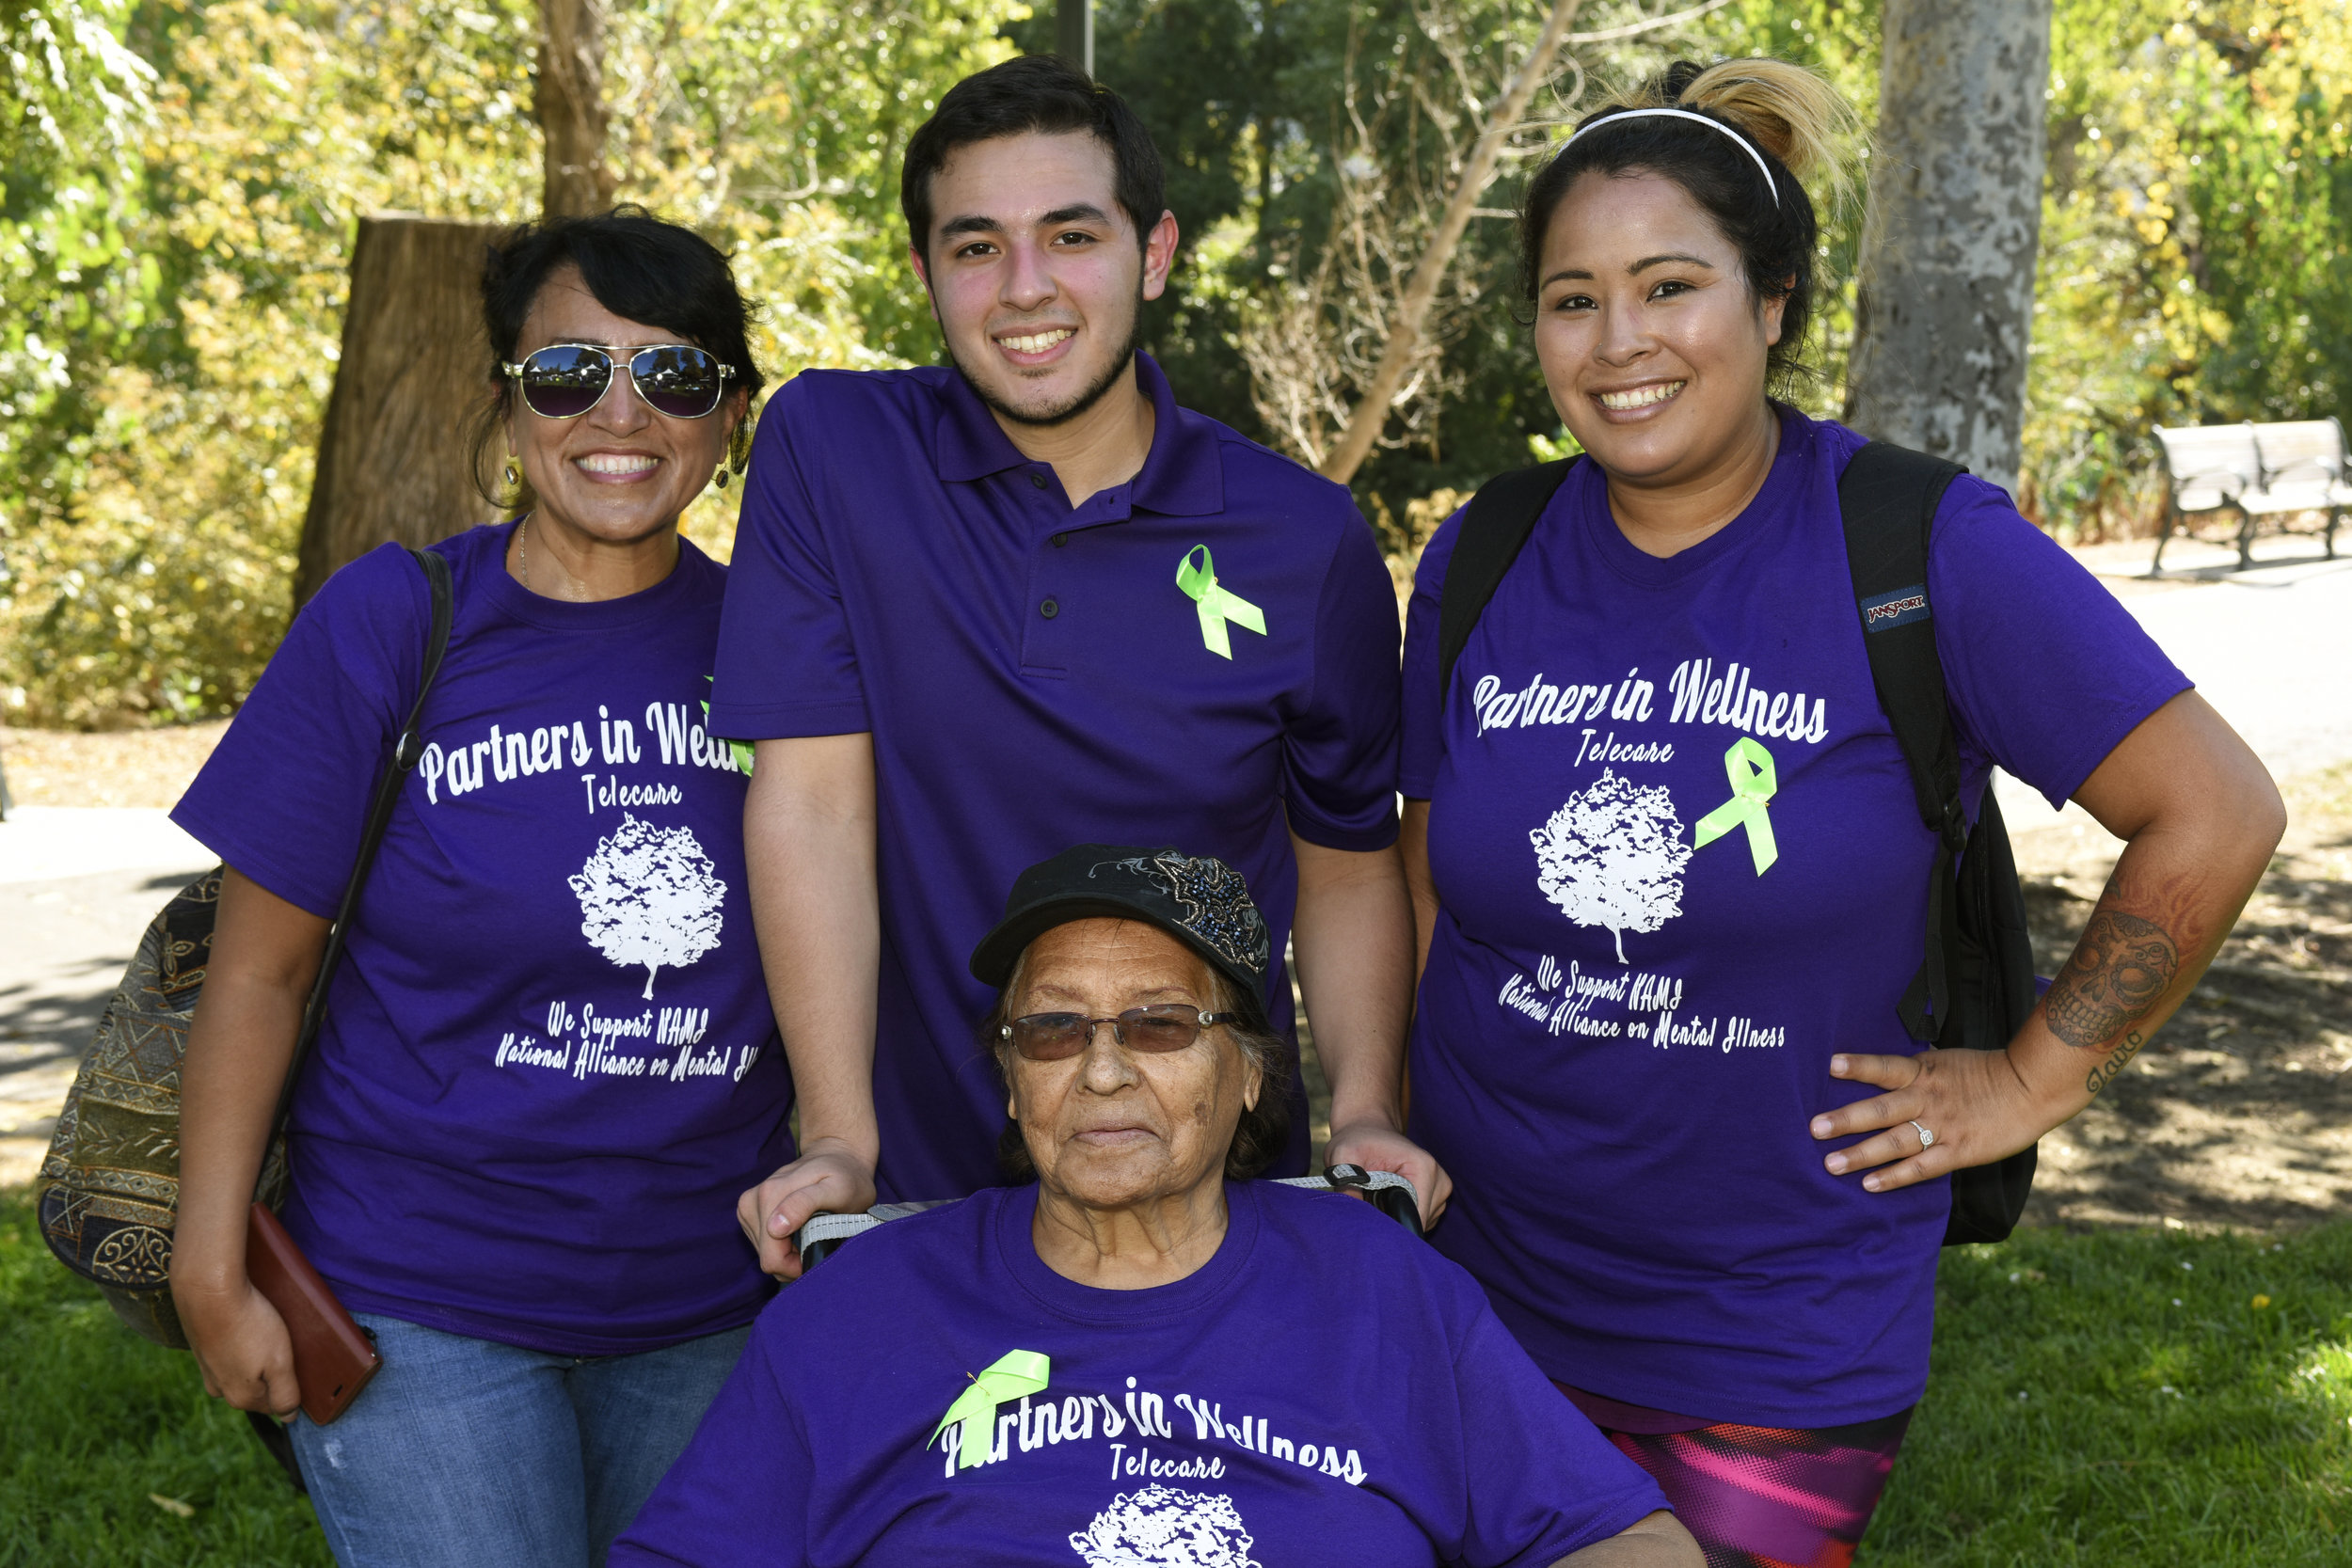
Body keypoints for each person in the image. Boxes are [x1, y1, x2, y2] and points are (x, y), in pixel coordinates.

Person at [1396, 59, 2284, 1567]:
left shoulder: (1919, 545)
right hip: (1473, 1285)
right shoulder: (1485, 551)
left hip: (1775, 1333)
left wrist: (2033, 1078)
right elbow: (1431, 883)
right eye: (1572, 298)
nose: (1620, 344)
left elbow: (2216, 808)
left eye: (1671, 285)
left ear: (1778, 302)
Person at [711, 54, 1442, 1268]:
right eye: (977, 246)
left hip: (1220, 1202)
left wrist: (1368, 1105)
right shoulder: (834, 454)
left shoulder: (1303, 540)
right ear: (924, 273)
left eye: (1070, 235)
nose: (1026, 287)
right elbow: (813, 803)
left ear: (1153, 254)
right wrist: (841, 1136)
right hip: (924, 1195)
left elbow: (1347, 865)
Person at [168, 210, 794, 1568]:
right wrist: (208, 1258)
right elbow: (258, 971)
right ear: (508, 404)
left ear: (730, 416)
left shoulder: (785, 650)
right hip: (419, 1294)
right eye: (568, 371)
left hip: (713, 1301)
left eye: (675, 375)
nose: (618, 412)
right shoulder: (393, 621)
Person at [612, 845, 1699, 1568]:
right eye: (1052, 1028)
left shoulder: (1383, 1284)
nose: (1098, 1071)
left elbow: (1632, 1540)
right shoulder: (859, 1309)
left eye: (1160, 1025)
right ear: (1010, 1078)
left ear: (1252, 1075)